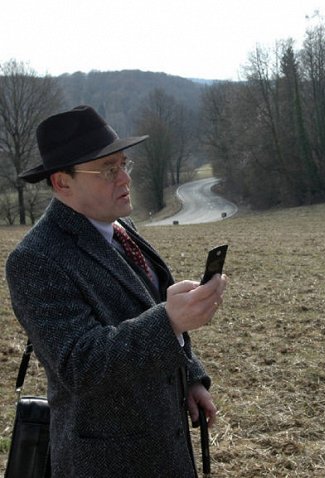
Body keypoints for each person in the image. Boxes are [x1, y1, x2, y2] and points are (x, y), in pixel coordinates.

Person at [5, 105, 228, 477]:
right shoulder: (35, 260)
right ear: (62, 182)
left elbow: (148, 305)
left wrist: (189, 375)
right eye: (108, 169)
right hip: (110, 461)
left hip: (165, 447)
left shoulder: (120, 226)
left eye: (124, 164)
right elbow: (81, 363)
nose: (124, 178)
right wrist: (170, 321)